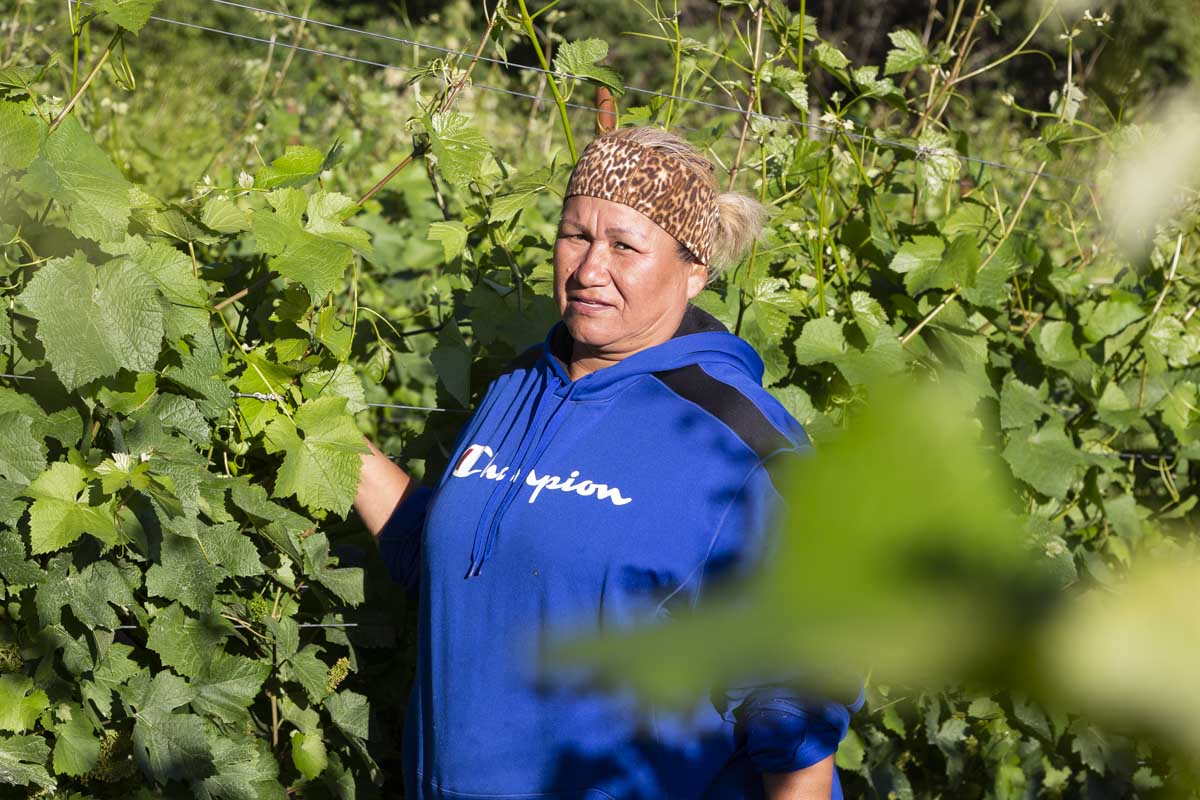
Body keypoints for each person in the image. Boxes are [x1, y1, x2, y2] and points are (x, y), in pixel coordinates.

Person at [354, 125, 862, 800]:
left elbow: (798, 708)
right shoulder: (520, 386)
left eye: (626, 244)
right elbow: (447, 560)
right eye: (575, 235)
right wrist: (325, 440)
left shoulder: (742, 445)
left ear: (694, 271)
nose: (590, 268)